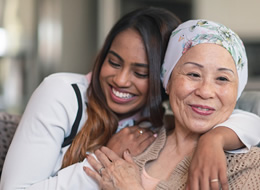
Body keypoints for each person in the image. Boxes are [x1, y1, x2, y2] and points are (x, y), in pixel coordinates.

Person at [0, 7, 259, 189]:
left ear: (163, 78)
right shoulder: (62, 93)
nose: (121, 80)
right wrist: (104, 161)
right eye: (113, 62)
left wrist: (214, 140)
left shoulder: (158, 117)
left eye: (140, 72)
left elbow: (246, 115)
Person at [84, 20, 260, 190]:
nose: (205, 91)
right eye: (193, 74)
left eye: (222, 79)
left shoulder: (249, 166)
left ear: (236, 92)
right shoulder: (135, 139)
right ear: (167, 81)